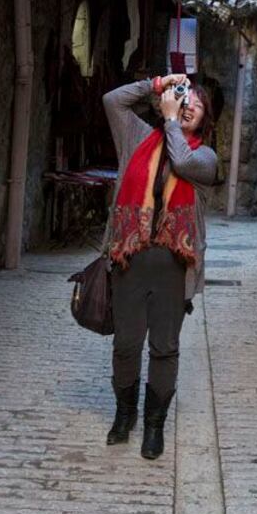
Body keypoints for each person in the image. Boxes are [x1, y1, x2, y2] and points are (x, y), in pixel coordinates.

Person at [101, 73, 217, 459]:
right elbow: (112, 100)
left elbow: (180, 159)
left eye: (195, 107)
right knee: (126, 344)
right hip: (129, 258)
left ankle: (155, 426)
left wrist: (170, 120)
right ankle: (124, 415)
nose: (187, 108)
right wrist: (156, 84)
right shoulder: (135, 138)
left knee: (164, 347)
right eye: (183, 100)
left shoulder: (205, 158)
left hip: (172, 266)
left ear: (203, 120)